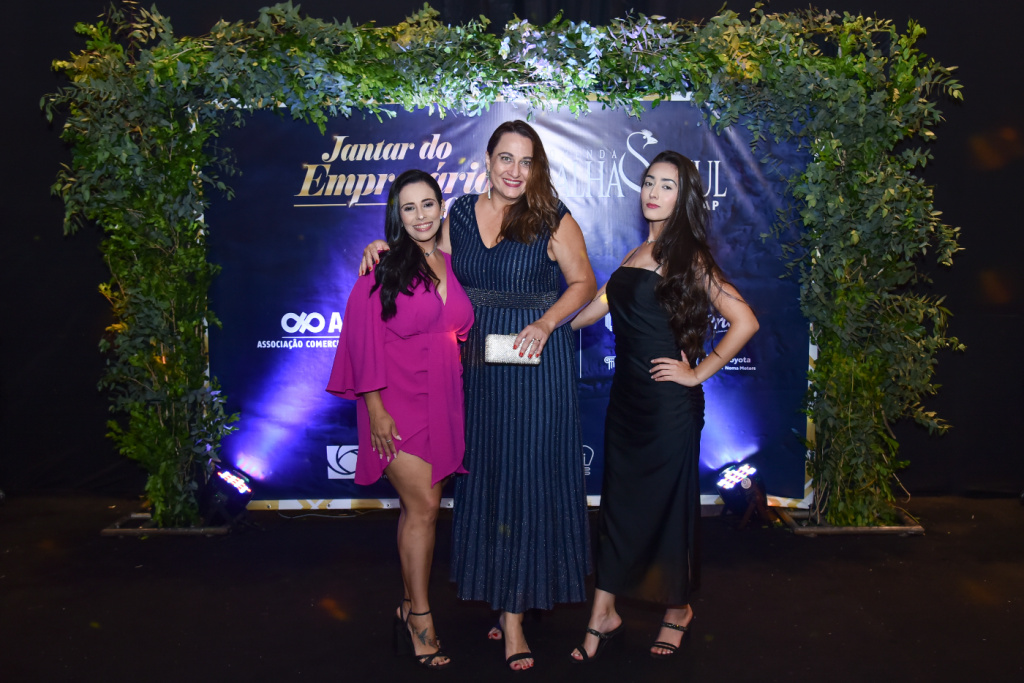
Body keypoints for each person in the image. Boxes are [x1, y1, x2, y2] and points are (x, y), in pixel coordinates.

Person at [361, 120, 597, 671]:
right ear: (487, 160)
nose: (515, 171)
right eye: (505, 158)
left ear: (537, 168)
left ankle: (514, 619)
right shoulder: (461, 215)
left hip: (536, 365)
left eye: (526, 161)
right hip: (474, 372)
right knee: (489, 482)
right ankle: (499, 593)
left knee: (526, 482)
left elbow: (584, 283)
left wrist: (546, 323)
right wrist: (382, 246)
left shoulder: (552, 217)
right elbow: (424, 258)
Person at [568, 150, 759, 662]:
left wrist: (697, 372)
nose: (653, 192)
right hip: (626, 402)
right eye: (649, 181)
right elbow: (597, 306)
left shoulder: (689, 257)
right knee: (618, 509)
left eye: (667, 185)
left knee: (668, 510)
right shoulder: (636, 252)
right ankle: (603, 614)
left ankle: (677, 610)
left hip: (669, 407)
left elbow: (745, 321)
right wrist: (547, 324)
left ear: (684, 196)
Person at [327, 169, 474, 670]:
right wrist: (375, 411)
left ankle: (408, 606)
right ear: (397, 215)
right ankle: (421, 619)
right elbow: (361, 343)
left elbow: (459, 329)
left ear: (441, 207)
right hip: (396, 404)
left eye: (428, 204)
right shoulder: (381, 270)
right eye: (408, 208)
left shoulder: (451, 262)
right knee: (425, 508)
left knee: (420, 512)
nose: (420, 216)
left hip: (443, 400)